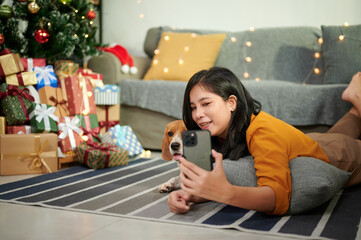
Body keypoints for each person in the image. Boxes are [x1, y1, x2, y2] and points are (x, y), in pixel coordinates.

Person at [168, 67, 361, 216]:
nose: (198, 115)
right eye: (193, 107)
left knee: (341, 141)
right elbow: (207, 184)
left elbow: (277, 198)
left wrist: (226, 192)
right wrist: (191, 195)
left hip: (335, 154)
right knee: (340, 130)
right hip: (308, 140)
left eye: (206, 104)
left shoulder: (262, 132)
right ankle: (354, 104)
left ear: (231, 103)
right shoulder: (217, 132)